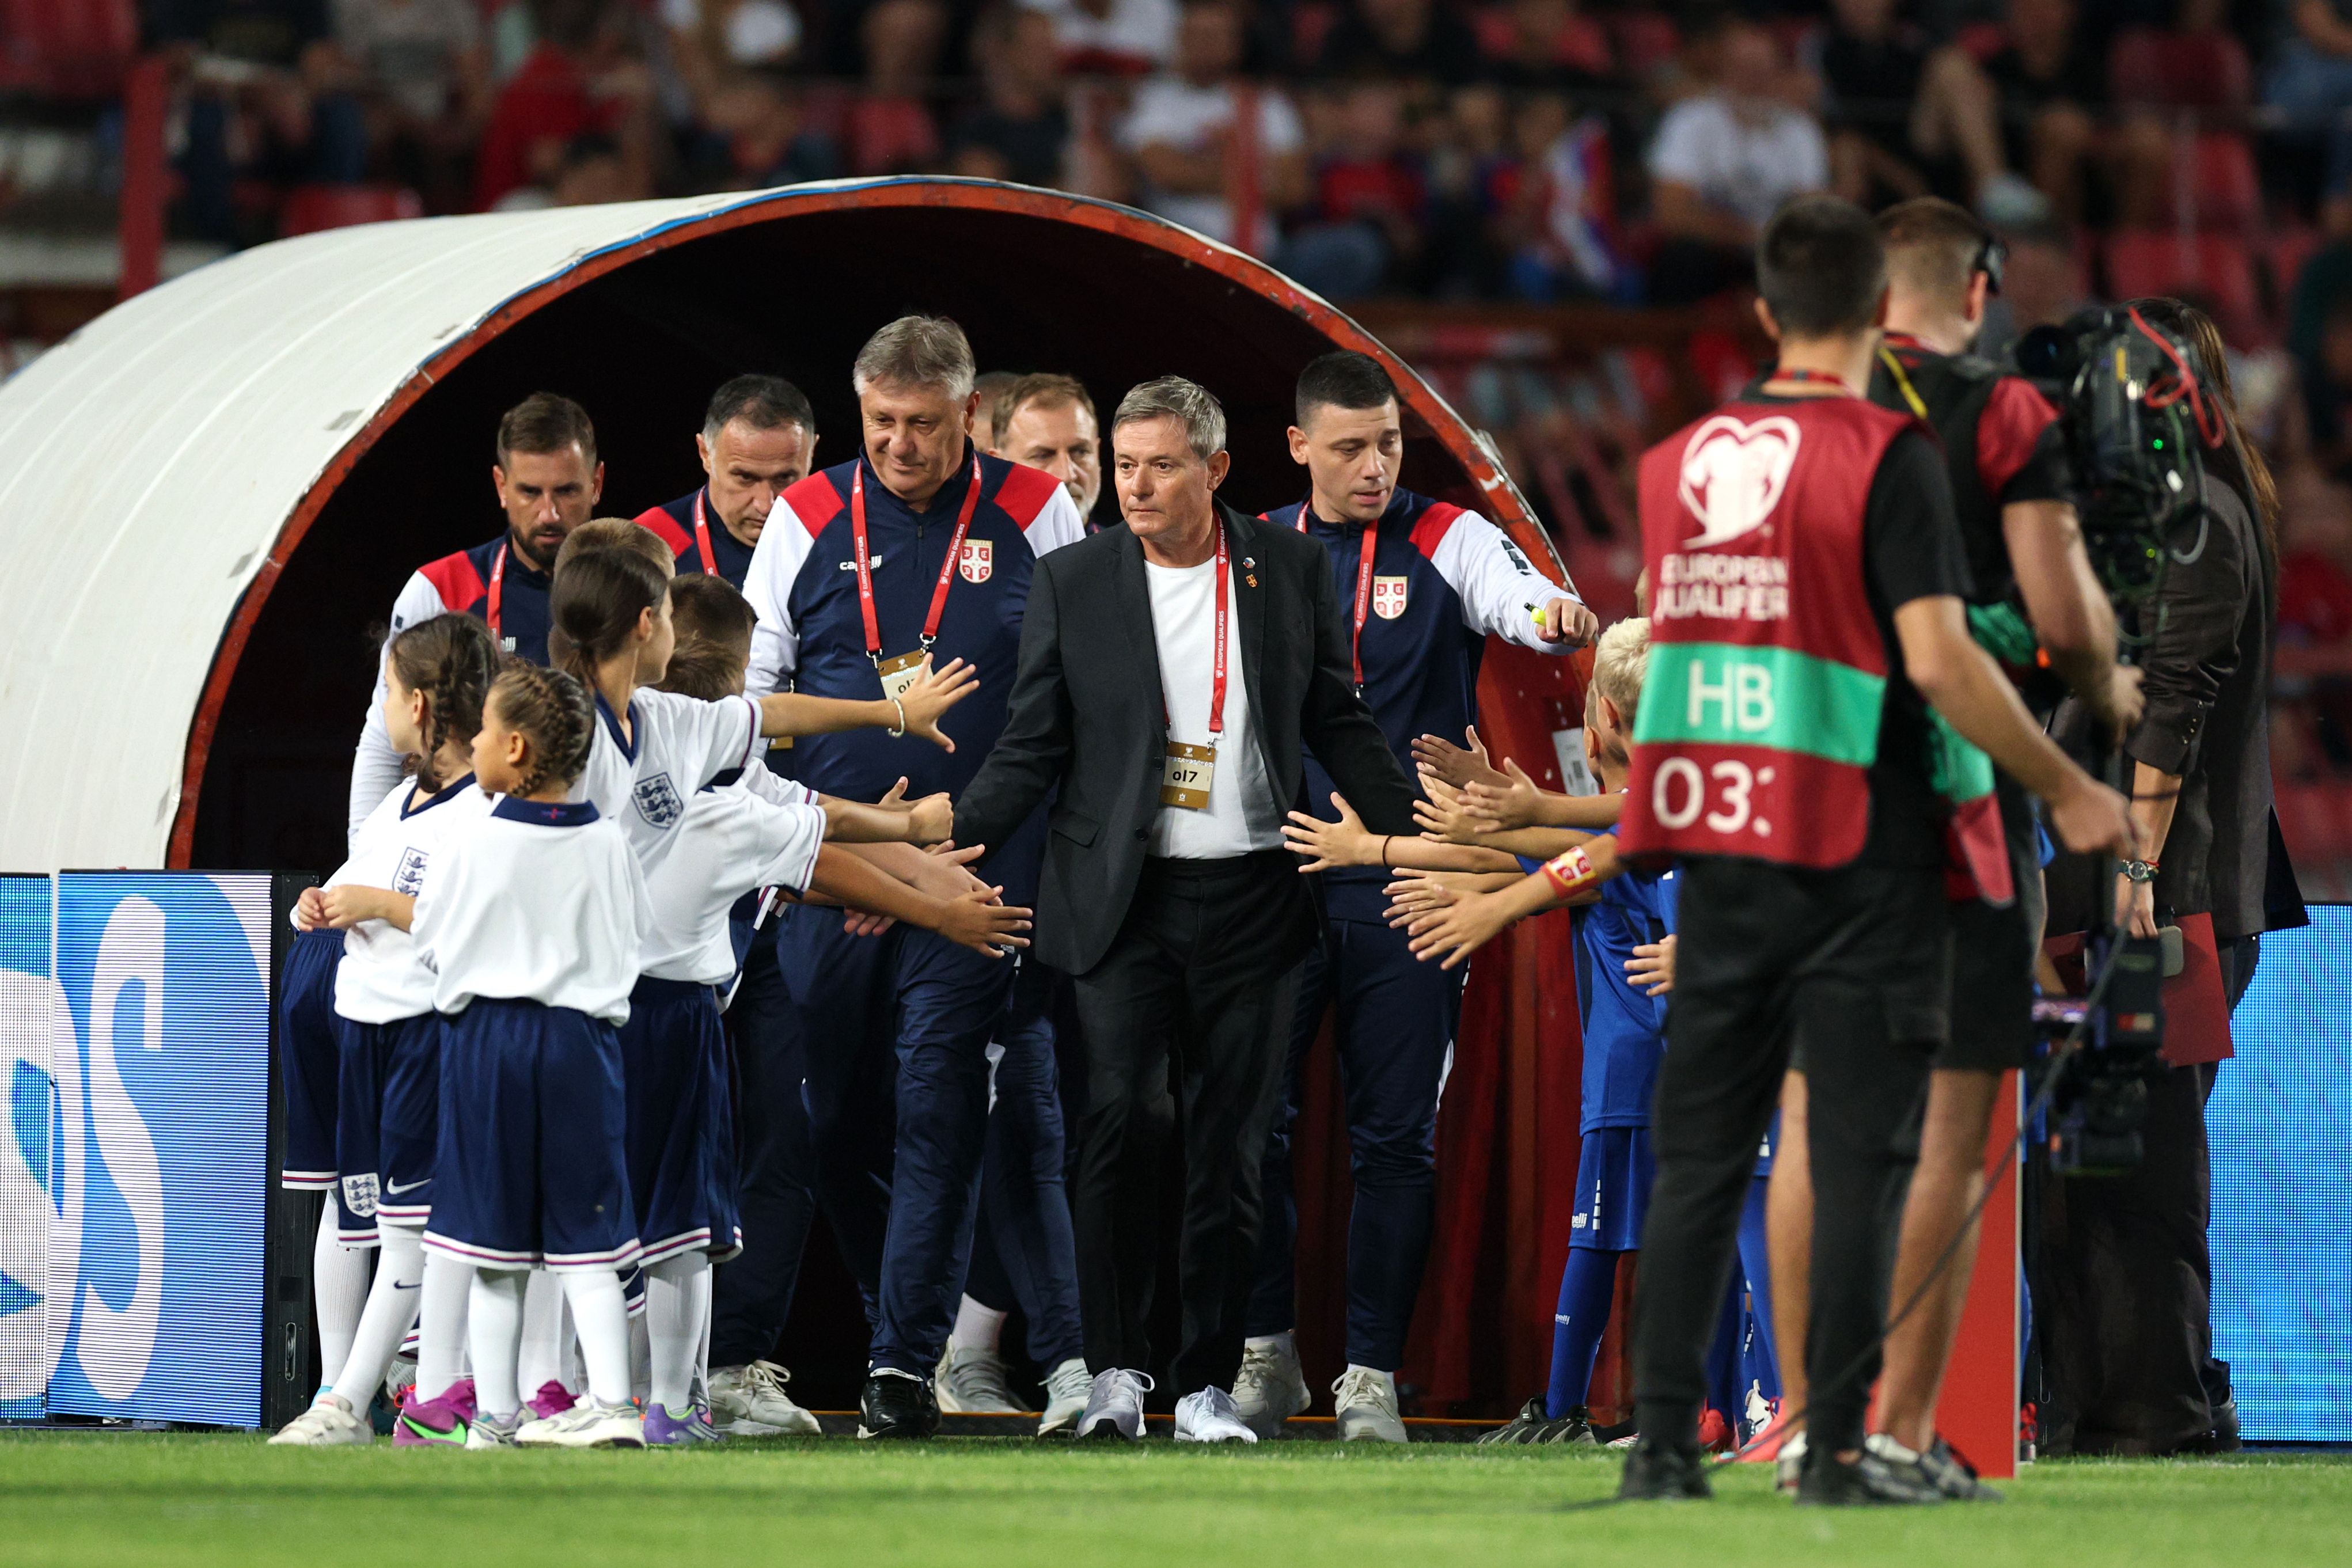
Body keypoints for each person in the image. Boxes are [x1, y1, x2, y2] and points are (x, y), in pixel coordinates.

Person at [1604, 196, 2133, 1505]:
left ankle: (1684, 1442)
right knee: (1883, 1150)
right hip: (1882, 835)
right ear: (1957, 294)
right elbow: (1957, 650)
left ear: (1772, 311)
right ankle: (1858, 1440)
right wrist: (2073, 766)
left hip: (1720, 827)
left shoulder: (1683, 457)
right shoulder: (1916, 439)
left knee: (1725, 1144)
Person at [949, 375, 1422, 1443]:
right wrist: (943, 836)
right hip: (1123, 898)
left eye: (1162, 465)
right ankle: (1114, 1371)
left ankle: (1204, 1383)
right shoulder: (1074, 578)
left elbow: (1338, 723)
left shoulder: (1287, 566)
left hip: (1255, 891)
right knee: (1121, 1120)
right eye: (1124, 466)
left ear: (1213, 469)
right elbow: (1031, 745)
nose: (1138, 485)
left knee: (1231, 1142)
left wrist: (1416, 834)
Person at [1763, 195, 2146, 1498]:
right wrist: (2101, 677)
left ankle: (1809, 1430)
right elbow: (2061, 624)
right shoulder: (2003, 414)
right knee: (1944, 1124)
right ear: (1977, 291)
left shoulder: (1788, 424)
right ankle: (1899, 1436)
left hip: (1798, 807)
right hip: (1955, 815)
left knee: (1813, 1115)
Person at [1231, 351, 1591, 1442]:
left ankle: (1372, 1375)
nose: (1373, 464)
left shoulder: (1445, 537)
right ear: (1298, 449)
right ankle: (1266, 1350)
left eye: (1387, 441)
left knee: (1395, 1137)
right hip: (1272, 880)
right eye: (1347, 447)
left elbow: (1517, 597)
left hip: (1407, 884)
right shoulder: (1250, 548)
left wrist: (1554, 617)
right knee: (1245, 1125)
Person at [742, 316, 1088, 1438]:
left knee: (942, 1106)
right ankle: (887, 1315)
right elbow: (750, 698)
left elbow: (1082, 689)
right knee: (831, 1116)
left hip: (978, 876)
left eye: (924, 425)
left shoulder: (1036, 509)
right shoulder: (804, 514)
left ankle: (900, 1361)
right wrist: (787, 847)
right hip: (830, 874)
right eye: (882, 422)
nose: (900, 444)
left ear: (970, 417)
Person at [2038, 299, 2308, 1457]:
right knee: (2086, 1161)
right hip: (2119, 888)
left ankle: (2157, 1410)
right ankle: (2108, 1400)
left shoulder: (2197, 521)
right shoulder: (2162, 518)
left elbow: (2170, 715)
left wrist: (2137, 871)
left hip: (2164, 894)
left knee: (2136, 1164)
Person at [271, 613, 501, 1446]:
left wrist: (378, 906)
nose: (380, 709)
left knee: (415, 1224)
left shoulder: (486, 806)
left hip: (425, 1033)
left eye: (385, 691)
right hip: (362, 1029)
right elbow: (353, 886)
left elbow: (477, 919)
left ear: (418, 701)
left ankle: (366, 1399)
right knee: (354, 1208)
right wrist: (321, 905)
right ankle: (342, 1389)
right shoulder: (402, 799)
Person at [409, 660, 649, 1449]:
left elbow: (434, 943)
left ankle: (497, 1418)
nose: (471, 739)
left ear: (514, 747)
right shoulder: (610, 840)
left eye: (481, 727)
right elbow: (630, 946)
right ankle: (615, 1403)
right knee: (588, 1242)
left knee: (492, 1252)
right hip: (585, 1047)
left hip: (490, 1048)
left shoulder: (473, 838)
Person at [348, 392, 604, 837]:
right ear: (501, 486)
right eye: (530, 492)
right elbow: (383, 740)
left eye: (567, 490)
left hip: (594, 834)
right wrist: (363, 860)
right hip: (468, 842)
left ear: (597, 483)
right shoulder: (439, 588)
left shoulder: (637, 593)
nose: (550, 513)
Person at [1646, 17, 1827, 305]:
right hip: (1714, 250)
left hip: (1776, 254)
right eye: (1743, 68)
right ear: (1723, 70)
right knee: (1682, 257)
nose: (1754, 80)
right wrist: (1746, 235)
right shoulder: (1690, 120)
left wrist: (1770, 242)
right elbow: (1671, 211)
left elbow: (1813, 212)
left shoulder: (1799, 129)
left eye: (1762, 69)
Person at [1119, 0, 1308, 255]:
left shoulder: (1267, 104)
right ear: (1180, 39)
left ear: (1237, 44)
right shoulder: (1154, 100)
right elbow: (1166, 174)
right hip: (1181, 253)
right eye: (1198, 35)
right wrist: (1253, 172)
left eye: (1217, 36)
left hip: (1267, 256)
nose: (1206, 45)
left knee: (1353, 247)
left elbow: (1294, 188)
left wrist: (1196, 167)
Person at [635, 376, 821, 589]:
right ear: (705, 453)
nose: (765, 504)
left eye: (784, 478)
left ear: (811, 452)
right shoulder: (645, 546)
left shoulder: (848, 534)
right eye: (745, 478)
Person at [989, 373, 1105, 523]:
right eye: (1043, 456)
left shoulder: (1137, 546)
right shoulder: (954, 544)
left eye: (1080, 452)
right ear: (998, 467)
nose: (1067, 475)